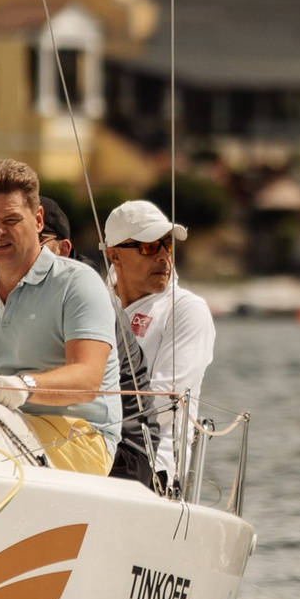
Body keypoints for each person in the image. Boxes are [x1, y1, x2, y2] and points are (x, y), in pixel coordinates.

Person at [0, 159, 121, 474]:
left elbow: (87, 379)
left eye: (10, 219)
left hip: (84, 439)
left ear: (37, 219)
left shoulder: (78, 282)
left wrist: (22, 386)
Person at [104, 199, 216, 493]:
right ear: (114, 255)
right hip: (84, 451)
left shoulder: (186, 309)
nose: (164, 257)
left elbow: (163, 405)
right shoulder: (93, 303)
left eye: (168, 245)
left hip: (152, 467)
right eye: (149, 246)